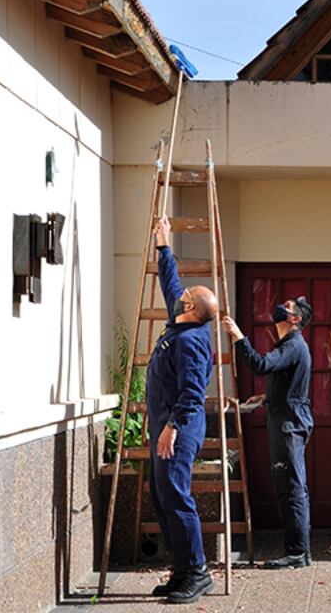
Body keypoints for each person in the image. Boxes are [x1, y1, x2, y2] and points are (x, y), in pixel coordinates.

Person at [147, 217, 218, 603]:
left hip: (178, 429)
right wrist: (164, 246)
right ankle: (181, 569)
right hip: (165, 426)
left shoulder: (190, 341)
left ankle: (197, 571)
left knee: (176, 496)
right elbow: (171, 284)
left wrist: (172, 427)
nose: (180, 294)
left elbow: (193, 393)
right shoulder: (181, 322)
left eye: (186, 294)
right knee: (163, 499)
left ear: (190, 308)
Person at [223, 296, 314, 569]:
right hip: (287, 421)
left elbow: (260, 365)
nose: (281, 307)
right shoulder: (290, 346)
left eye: (288, 306)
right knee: (290, 485)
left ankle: (297, 553)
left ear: (295, 319)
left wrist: (239, 337)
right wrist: (266, 397)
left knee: (291, 487)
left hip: (289, 425)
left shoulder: (293, 345)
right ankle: (300, 551)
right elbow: (290, 385)